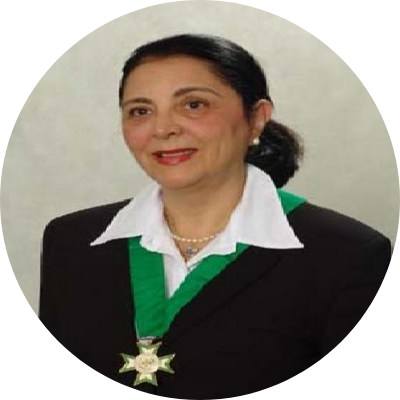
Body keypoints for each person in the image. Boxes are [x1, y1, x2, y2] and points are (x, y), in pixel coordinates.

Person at [39, 34, 392, 398]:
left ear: (256, 119)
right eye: (141, 111)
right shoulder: (71, 241)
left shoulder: (347, 256)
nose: (163, 129)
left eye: (194, 105)